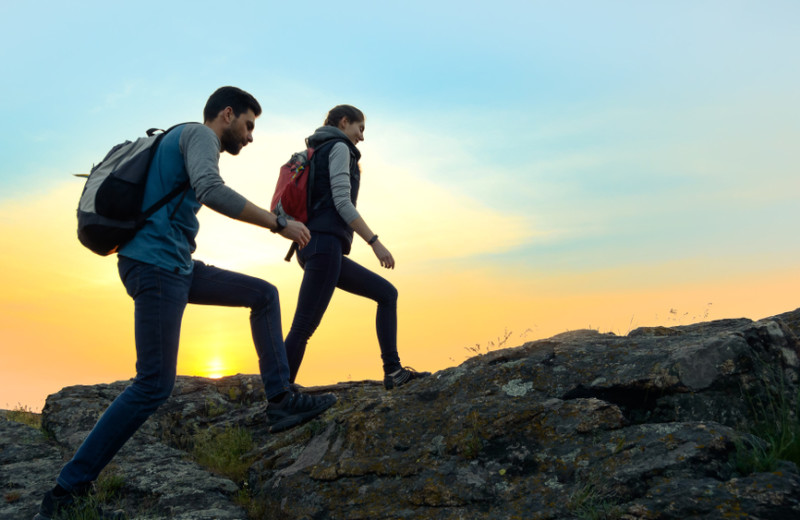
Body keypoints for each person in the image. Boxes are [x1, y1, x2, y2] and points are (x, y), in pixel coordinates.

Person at [34, 87, 336, 520]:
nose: (250, 137)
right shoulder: (199, 135)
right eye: (248, 125)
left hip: (175, 265)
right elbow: (211, 189)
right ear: (227, 114)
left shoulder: (176, 139)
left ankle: (280, 399)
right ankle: (67, 490)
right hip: (156, 267)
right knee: (155, 384)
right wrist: (278, 223)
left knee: (263, 295)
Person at [283, 105, 430, 390]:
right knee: (303, 326)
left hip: (315, 248)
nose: (361, 137)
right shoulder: (338, 147)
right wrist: (375, 243)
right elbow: (342, 202)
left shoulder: (317, 150)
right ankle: (279, 397)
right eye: (360, 128)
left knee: (387, 294)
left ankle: (393, 371)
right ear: (344, 121)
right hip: (324, 246)